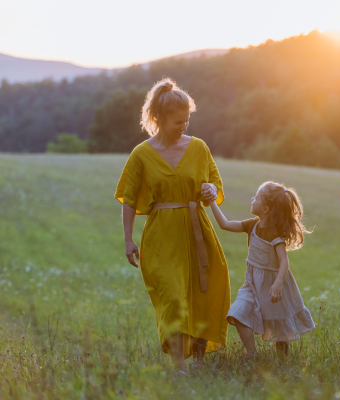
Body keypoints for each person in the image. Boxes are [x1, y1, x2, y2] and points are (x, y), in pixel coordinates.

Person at [115, 78, 230, 375]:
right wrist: (128, 240)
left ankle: (201, 362)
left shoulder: (199, 147)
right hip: (162, 237)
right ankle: (180, 366)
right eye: (178, 122)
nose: (184, 127)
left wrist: (209, 191)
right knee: (173, 298)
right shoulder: (141, 154)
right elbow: (129, 199)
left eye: (187, 121)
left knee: (202, 294)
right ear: (158, 119)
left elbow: (215, 185)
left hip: (198, 232)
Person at [209, 181, 315, 361]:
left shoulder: (274, 234)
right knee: (237, 313)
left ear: (265, 208)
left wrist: (277, 284)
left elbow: (284, 262)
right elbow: (225, 224)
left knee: (279, 324)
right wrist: (212, 201)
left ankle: (283, 360)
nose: (252, 199)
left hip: (272, 285)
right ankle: (251, 353)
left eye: (256, 197)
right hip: (251, 283)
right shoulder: (252, 225)